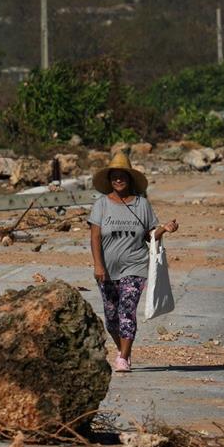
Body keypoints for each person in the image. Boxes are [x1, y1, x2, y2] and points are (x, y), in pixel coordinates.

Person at [89, 152, 179, 373]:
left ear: (130, 180)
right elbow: (94, 237)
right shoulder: (101, 205)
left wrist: (163, 229)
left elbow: (150, 235)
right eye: (115, 177)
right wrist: (98, 265)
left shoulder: (142, 205)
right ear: (110, 180)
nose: (118, 180)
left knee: (126, 310)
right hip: (108, 270)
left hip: (136, 266)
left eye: (123, 177)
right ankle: (123, 350)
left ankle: (123, 357)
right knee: (111, 318)